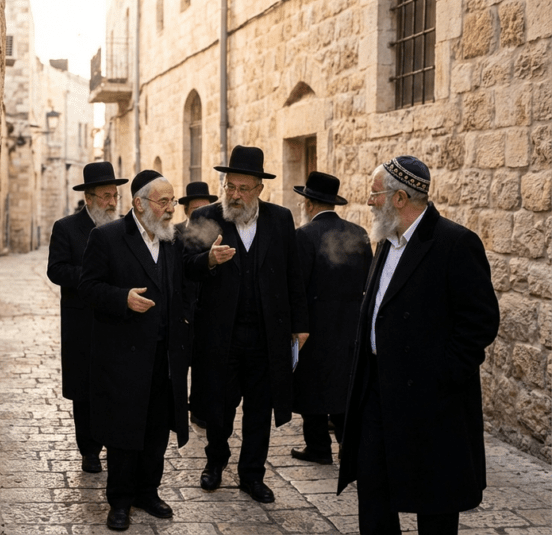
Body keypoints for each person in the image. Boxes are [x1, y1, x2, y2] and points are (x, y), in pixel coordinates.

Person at [337, 157, 500, 535]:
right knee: (373, 490)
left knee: (436, 501)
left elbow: (480, 322)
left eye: (375, 194)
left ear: (399, 198)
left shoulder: (455, 243)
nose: (369, 201)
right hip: (377, 391)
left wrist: (443, 375)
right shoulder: (386, 240)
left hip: (432, 400)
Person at [183, 145, 309, 504]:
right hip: (221, 334)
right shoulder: (205, 217)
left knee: (260, 409)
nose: (235, 195)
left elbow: (293, 274)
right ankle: (215, 462)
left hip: (268, 334)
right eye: (230, 187)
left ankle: (252, 474)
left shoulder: (280, 219)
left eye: (243, 188)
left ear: (259, 189)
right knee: (219, 405)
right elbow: (184, 266)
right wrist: (208, 260)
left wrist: (301, 324)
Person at [78, 170, 196, 531]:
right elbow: (88, 288)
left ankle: (148, 492)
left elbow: (181, 282)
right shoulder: (107, 237)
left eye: (172, 201)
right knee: (124, 430)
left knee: (157, 429)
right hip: (123, 356)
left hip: (164, 356)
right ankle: (120, 501)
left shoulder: (171, 240)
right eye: (164, 202)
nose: (171, 208)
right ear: (139, 204)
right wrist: (122, 298)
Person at [47, 161, 128, 473]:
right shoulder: (66, 228)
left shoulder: (122, 228)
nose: (111, 202)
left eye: (115, 195)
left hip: (116, 321)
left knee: (114, 386)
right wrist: (93, 276)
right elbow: (56, 270)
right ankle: (89, 450)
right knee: (84, 390)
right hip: (82, 323)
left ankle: (114, 442)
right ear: (89, 198)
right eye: (106, 196)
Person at [291, 171, 372, 465]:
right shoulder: (359, 233)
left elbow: (297, 286)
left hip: (314, 326)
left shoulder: (304, 235)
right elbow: (369, 279)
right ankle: (351, 449)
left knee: (311, 386)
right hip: (350, 325)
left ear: (309, 203)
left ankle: (318, 448)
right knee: (343, 385)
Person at [176, 181, 218, 429]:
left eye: (205, 209)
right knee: (180, 363)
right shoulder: (174, 234)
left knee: (205, 364)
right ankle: (178, 410)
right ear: (186, 210)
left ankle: (200, 411)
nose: (200, 214)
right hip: (183, 308)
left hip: (206, 310)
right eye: (195, 210)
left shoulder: (217, 233)